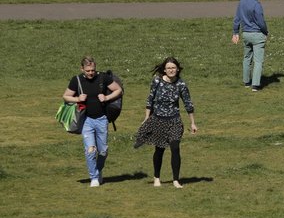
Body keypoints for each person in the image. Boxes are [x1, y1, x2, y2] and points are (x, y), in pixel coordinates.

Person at [133, 57, 197, 188]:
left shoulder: (181, 84)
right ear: (164, 69)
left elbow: (188, 104)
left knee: (175, 148)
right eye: (168, 68)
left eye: (173, 68)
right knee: (159, 150)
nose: (171, 70)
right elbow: (150, 99)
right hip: (159, 120)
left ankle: (176, 180)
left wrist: (192, 123)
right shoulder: (157, 81)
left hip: (175, 121)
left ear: (177, 69)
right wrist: (146, 118)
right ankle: (157, 177)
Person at [62, 56, 123, 187]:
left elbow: (118, 90)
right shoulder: (76, 80)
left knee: (103, 151)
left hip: (102, 119)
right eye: (88, 70)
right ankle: (94, 178)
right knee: (90, 150)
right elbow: (65, 96)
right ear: (82, 69)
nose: (91, 73)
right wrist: (78, 98)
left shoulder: (103, 77)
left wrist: (106, 97)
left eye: (93, 70)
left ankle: (98, 170)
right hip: (86, 121)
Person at [232, 0, 268, 91]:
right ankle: (255, 85)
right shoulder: (256, 5)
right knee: (258, 61)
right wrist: (266, 32)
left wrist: (235, 33)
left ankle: (247, 82)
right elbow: (261, 21)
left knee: (247, 58)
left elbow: (237, 18)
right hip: (257, 35)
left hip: (246, 34)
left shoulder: (242, 2)